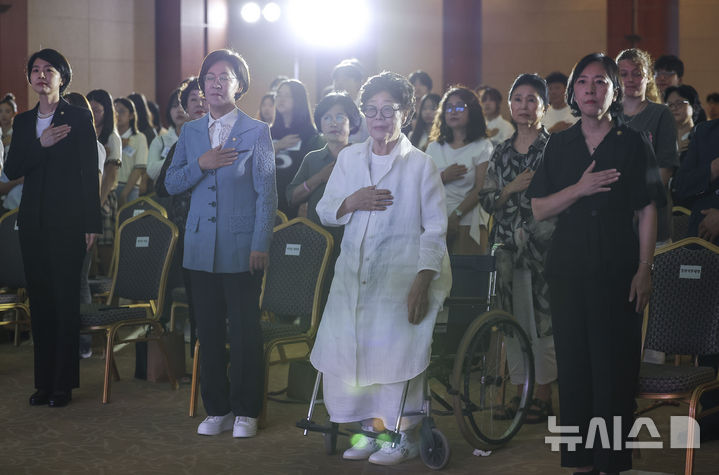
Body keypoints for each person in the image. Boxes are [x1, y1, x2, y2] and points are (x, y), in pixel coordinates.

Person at [527, 52, 662, 475]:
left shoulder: (632, 143)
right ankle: (580, 459)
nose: (590, 89)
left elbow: (648, 209)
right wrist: (580, 189)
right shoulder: (560, 144)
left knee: (615, 367)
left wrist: (645, 267)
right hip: (568, 269)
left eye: (600, 82)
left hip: (619, 270)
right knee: (574, 367)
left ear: (614, 91)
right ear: (572, 92)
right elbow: (539, 208)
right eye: (583, 82)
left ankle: (612, 461)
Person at [310, 71, 451, 466]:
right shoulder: (350, 158)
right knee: (353, 357)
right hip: (353, 278)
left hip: (400, 278)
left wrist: (422, 281)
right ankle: (369, 433)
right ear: (362, 115)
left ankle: (402, 438)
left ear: (405, 114)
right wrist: (351, 201)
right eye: (371, 110)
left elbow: (436, 229)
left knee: (394, 358)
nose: (379, 118)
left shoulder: (421, 166)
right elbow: (325, 211)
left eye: (389, 110)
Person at [165, 49, 276, 439]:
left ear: (239, 86)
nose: (214, 84)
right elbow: (171, 182)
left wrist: (260, 242)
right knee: (207, 331)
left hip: (243, 245)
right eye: (208, 77)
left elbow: (267, 195)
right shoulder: (190, 132)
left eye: (223, 77)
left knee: (245, 331)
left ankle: (246, 410)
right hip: (198, 246)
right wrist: (202, 164)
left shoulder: (256, 131)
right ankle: (217, 408)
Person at [4, 48, 101, 407]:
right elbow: (13, 168)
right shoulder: (25, 122)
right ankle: (43, 383)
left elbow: (89, 172)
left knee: (64, 302)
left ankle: (63, 384)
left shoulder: (77, 116)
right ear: (30, 78)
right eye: (35, 70)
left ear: (62, 77)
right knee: (41, 303)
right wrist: (40, 145)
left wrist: (92, 221)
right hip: (32, 224)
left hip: (69, 223)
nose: (41, 75)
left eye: (49, 70)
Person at [478, 73, 556, 423]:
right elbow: (487, 199)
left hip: (544, 248)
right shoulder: (501, 151)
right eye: (518, 99)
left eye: (531, 100)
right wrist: (510, 188)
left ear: (544, 106)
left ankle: (543, 393)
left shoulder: (554, 149)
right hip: (507, 248)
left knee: (544, 320)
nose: (524, 106)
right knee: (513, 321)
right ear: (510, 106)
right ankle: (521, 390)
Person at [154, 77, 208, 355]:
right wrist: (197, 169)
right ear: (185, 108)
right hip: (188, 232)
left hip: (222, 234)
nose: (200, 104)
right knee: (197, 301)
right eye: (193, 101)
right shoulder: (182, 145)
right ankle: (199, 363)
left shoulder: (228, 137)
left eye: (204, 99)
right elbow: (161, 185)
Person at [616, 48, 678, 247]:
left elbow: (665, 169)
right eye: (623, 74)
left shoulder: (661, 114)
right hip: (614, 220)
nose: (630, 79)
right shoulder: (608, 115)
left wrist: (637, 206)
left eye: (637, 73)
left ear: (648, 77)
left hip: (653, 218)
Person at [286, 91, 361, 244]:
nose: (333, 123)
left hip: (353, 238)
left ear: (351, 122)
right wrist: (319, 177)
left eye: (340, 117)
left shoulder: (362, 156)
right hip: (316, 240)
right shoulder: (312, 158)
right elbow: (291, 198)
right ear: (320, 124)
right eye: (327, 118)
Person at [426, 86, 492, 254]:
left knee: (465, 278)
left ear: (473, 111)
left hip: (467, 222)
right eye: (449, 107)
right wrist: (443, 176)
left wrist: (456, 216)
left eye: (460, 107)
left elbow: (480, 189)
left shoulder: (482, 146)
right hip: (435, 221)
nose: (453, 111)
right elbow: (422, 185)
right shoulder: (434, 147)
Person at [270, 79, 324, 218]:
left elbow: (315, 173)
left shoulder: (310, 135)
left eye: (287, 95)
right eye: (279, 94)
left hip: (297, 202)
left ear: (298, 99)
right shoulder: (267, 132)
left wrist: (307, 200)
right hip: (269, 202)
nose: (281, 99)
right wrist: (277, 146)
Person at [87, 89, 122, 276]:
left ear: (107, 112)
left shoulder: (112, 137)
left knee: (105, 246)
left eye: (97, 110)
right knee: (88, 249)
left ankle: (109, 289)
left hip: (104, 197)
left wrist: (98, 202)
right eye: (89, 109)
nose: (93, 114)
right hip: (88, 196)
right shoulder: (86, 133)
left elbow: (111, 176)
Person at [146, 88, 187, 181]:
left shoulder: (200, 138)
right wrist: (178, 157)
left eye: (183, 105)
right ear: (169, 111)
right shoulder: (160, 141)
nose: (179, 110)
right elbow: (152, 172)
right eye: (174, 105)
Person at [114, 97, 148, 207]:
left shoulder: (139, 138)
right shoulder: (109, 138)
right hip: (109, 187)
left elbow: (139, 169)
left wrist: (124, 194)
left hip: (130, 188)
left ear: (132, 116)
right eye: (115, 111)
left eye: (122, 111)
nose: (118, 115)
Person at [332, 58, 369, 143]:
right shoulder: (329, 109)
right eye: (336, 80)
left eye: (345, 79)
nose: (339, 83)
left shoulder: (367, 109)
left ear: (358, 83)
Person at [664, 85, 702, 164]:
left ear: (694, 107)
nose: (674, 108)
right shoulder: (662, 139)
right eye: (670, 105)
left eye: (679, 103)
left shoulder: (702, 137)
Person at [1, 93, 17, 158]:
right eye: (0, 111)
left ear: (14, 113)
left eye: (7, 111)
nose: (3, 115)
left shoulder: (18, 134)